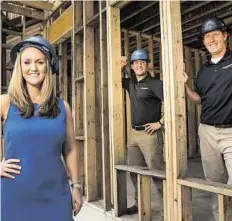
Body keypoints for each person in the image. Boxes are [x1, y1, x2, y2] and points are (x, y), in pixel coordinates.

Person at [0, 35, 83, 221]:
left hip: (55, 193)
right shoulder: (5, 103)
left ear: (49, 65)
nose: (33, 68)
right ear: (19, 67)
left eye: (39, 62)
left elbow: (70, 150)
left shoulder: (63, 107)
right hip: (16, 194)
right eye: (27, 62)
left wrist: (76, 186)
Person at [183, 16, 232, 221]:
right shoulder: (203, 70)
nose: (211, 39)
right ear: (203, 42)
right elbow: (199, 100)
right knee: (215, 184)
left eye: (215, 34)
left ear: (225, 36)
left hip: (230, 132)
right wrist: (184, 85)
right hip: (207, 132)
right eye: (207, 37)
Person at [121, 49, 164, 215]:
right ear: (132, 66)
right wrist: (120, 65)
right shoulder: (130, 82)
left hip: (149, 135)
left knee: (157, 172)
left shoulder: (155, 83)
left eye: (142, 62)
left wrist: (160, 123)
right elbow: (113, 79)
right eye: (135, 63)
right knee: (134, 171)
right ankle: (140, 204)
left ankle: (166, 208)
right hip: (133, 135)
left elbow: (172, 101)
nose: (138, 65)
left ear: (147, 64)